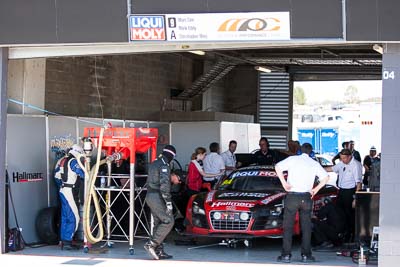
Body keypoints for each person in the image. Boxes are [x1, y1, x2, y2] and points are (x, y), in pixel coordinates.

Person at [275, 143, 330, 263]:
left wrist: (284, 183)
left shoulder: (292, 159)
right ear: (311, 152)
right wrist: (315, 189)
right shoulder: (313, 163)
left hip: (292, 196)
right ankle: (306, 255)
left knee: (288, 226)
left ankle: (286, 255)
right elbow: (326, 177)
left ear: (300, 150)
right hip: (306, 196)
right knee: (306, 227)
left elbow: (277, 167)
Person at [144, 145, 181, 260]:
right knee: (168, 221)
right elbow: (164, 185)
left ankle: (159, 251)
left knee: (158, 222)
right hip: (157, 196)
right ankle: (152, 244)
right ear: (171, 155)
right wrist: (168, 202)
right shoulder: (164, 165)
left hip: (150, 195)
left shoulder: (155, 162)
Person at [325, 149, 362, 242]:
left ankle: (352, 235)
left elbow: (359, 183)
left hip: (350, 192)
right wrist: (318, 169)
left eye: (344, 158)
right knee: (340, 214)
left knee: (349, 215)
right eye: (341, 158)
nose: (342, 160)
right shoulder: (342, 163)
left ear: (349, 157)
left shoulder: (356, 165)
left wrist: (355, 199)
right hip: (341, 191)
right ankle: (343, 233)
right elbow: (332, 169)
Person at [54, 144, 85, 250]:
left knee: (65, 217)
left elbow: (56, 176)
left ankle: (64, 240)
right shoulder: (73, 161)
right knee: (74, 217)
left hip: (62, 190)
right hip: (69, 191)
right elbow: (83, 174)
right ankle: (67, 241)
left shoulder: (61, 160)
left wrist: (62, 185)